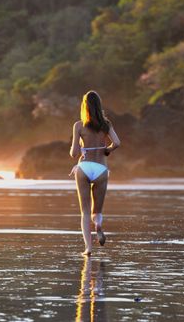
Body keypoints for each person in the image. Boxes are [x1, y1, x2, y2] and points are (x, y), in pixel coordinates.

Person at [69, 91, 120, 256]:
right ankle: (98, 225)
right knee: (96, 210)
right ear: (99, 105)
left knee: (84, 212)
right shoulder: (106, 124)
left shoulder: (79, 125)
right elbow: (117, 142)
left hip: (84, 168)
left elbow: (74, 153)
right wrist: (108, 150)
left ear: (85, 106)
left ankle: (88, 248)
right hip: (101, 169)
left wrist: (80, 146)